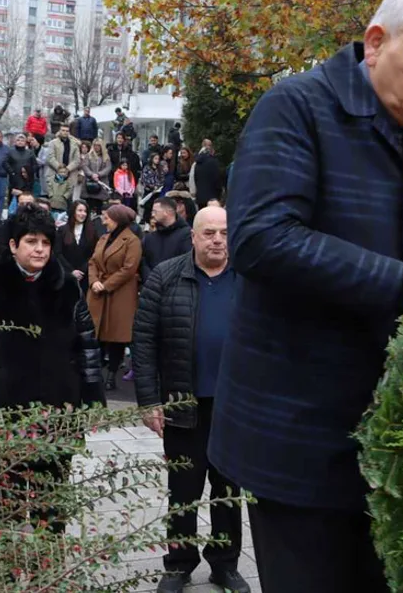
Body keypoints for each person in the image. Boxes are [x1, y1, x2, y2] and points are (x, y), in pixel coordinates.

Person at [211, 0, 403, 592]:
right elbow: (261, 238)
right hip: (299, 437)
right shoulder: (295, 106)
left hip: (399, 437)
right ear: (376, 43)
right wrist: (401, 286)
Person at [0, 202, 105, 541]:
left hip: (56, 409)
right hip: (2, 412)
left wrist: (92, 395)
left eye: (45, 243)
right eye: (31, 241)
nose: (39, 250)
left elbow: (86, 344)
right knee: (0, 502)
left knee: (49, 505)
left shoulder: (67, 287)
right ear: (13, 245)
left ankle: (46, 570)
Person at [133, 206, 249, 593]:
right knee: (183, 489)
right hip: (183, 405)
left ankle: (225, 563)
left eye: (224, 233)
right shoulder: (166, 277)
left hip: (233, 408)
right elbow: (145, 341)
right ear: (194, 237)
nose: (217, 239)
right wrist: (149, 400)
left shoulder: (248, 279)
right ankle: (179, 564)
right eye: (209, 233)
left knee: (228, 491)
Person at [87, 203, 141, 392]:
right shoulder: (103, 238)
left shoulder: (132, 241)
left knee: (117, 336)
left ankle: (110, 377)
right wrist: (94, 281)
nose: (104, 220)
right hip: (98, 292)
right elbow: (93, 262)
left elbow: (129, 269)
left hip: (120, 294)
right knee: (97, 335)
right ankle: (95, 375)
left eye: (107, 217)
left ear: (117, 220)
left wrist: (106, 285)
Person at [55, 201, 99, 293]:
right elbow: (58, 253)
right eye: (80, 210)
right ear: (73, 212)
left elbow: (95, 253)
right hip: (66, 274)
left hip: (85, 275)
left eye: (85, 211)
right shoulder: (62, 230)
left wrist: (82, 270)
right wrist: (71, 271)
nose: (83, 214)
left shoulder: (93, 231)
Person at [141, 197, 192, 274]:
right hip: (151, 283)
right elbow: (144, 262)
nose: (152, 215)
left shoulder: (187, 234)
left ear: (167, 212)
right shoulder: (149, 238)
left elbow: (187, 262)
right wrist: (151, 280)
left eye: (155, 211)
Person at [45, 125, 81, 212]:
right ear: (59, 131)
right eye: (63, 130)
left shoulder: (74, 144)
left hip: (69, 174)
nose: (65, 132)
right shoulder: (53, 143)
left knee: (67, 199)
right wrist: (59, 167)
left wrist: (67, 169)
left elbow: (77, 160)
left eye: (67, 131)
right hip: (55, 173)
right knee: (54, 199)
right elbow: (50, 157)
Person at [192, 139, 223, 209]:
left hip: (200, 196)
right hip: (212, 197)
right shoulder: (214, 162)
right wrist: (219, 195)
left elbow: (195, 179)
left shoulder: (197, 163)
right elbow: (217, 179)